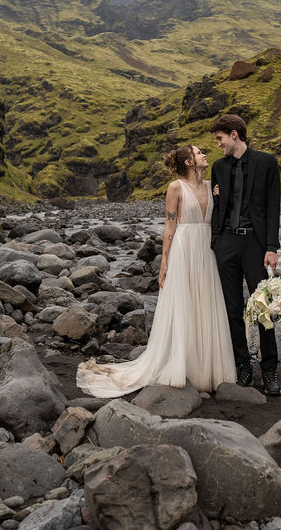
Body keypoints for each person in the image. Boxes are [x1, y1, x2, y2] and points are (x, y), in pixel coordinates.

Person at [75, 145, 236, 397]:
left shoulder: (211, 186)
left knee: (206, 302)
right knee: (184, 303)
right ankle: (183, 365)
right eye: (198, 152)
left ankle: (208, 368)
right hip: (184, 248)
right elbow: (170, 226)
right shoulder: (175, 188)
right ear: (188, 162)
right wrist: (164, 262)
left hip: (207, 249)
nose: (204, 154)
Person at [210, 114, 281, 396]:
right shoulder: (218, 167)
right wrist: (216, 241)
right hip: (227, 243)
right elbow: (219, 206)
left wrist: (271, 247)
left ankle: (269, 371)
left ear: (234, 135)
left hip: (255, 243)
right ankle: (243, 367)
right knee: (232, 310)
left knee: (263, 308)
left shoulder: (267, 163)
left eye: (220, 139)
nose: (219, 145)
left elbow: (273, 206)